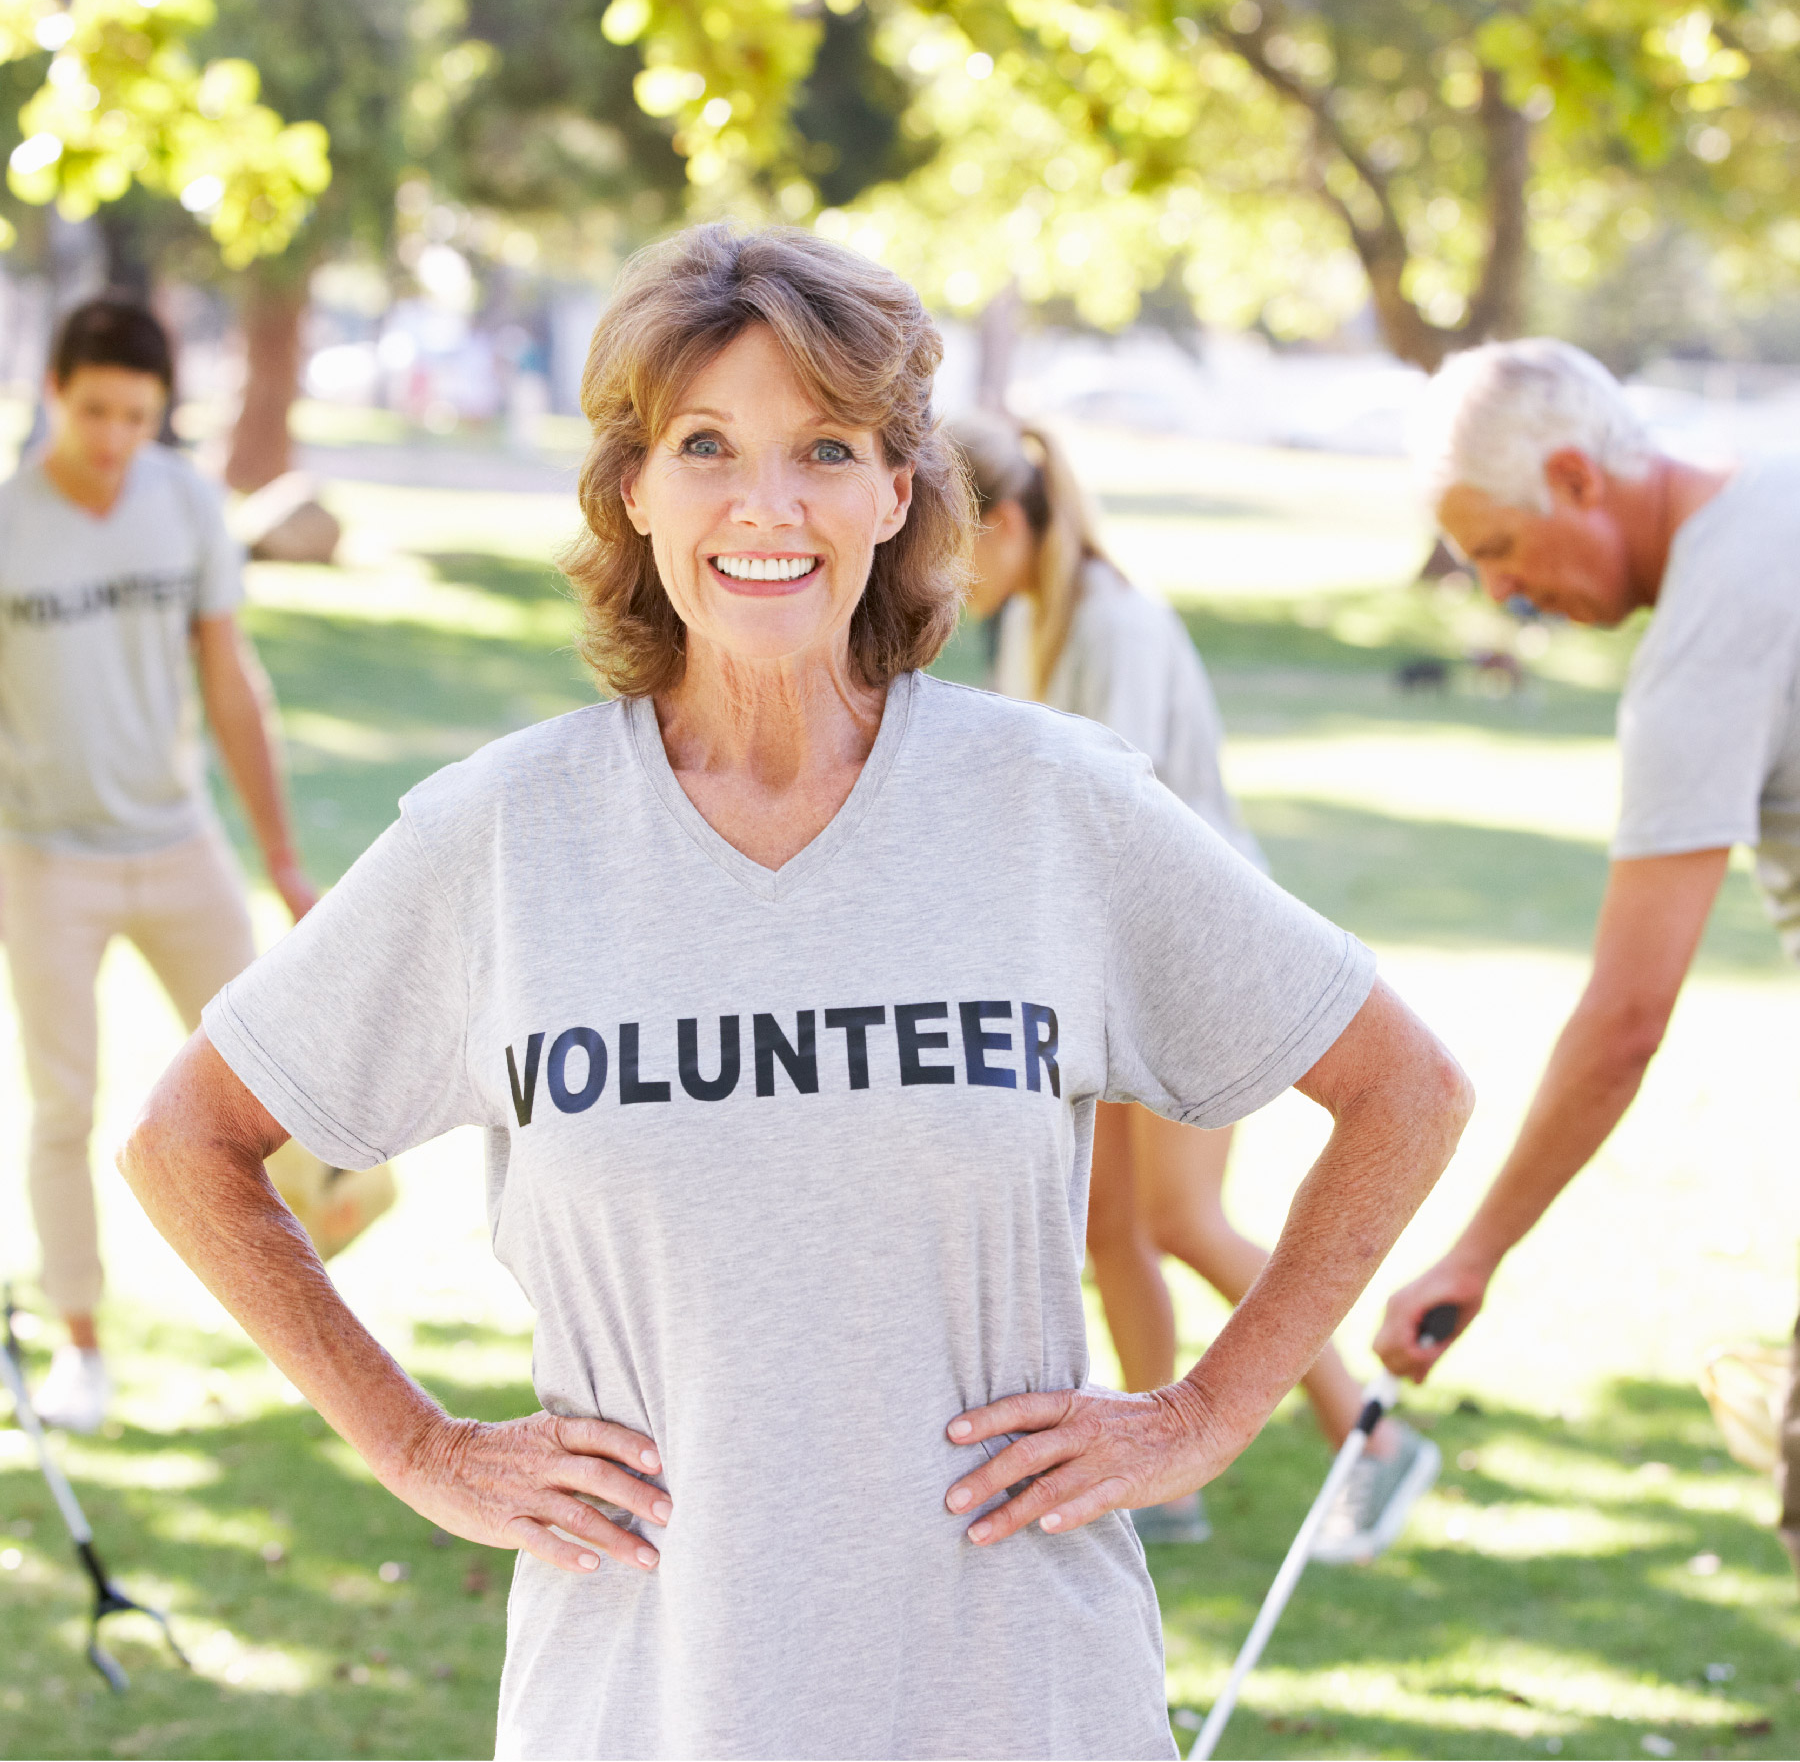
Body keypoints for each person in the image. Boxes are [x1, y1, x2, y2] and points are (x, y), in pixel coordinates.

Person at [121, 224, 1471, 1760]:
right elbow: (186, 1143)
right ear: (634, 489)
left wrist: (1205, 1415)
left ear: (899, 492)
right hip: (642, 1702)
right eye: (707, 445)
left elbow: (1405, 1089)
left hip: (1015, 1696)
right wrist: (418, 1447)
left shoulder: (1047, 803)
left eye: (825, 447)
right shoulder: (506, 836)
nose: (767, 504)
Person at [951, 412, 1442, 1562]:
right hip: (1094, 970)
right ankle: (1156, 1479)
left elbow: (1103, 829)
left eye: (944, 540)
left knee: (1181, 1216)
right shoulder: (1031, 623)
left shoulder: (1111, 623)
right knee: (1106, 1223)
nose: (929, 571)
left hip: (1184, 965)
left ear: (1009, 523)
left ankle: (1369, 1437)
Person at [1373, 336, 1800, 1567]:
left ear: (1576, 475)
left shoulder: (1708, 639)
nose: (1504, 597)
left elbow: (1626, 1018)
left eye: (1501, 551)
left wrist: (1474, 1251)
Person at [0, 299, 389, 1434]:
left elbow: (231, 682)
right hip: (44, 857)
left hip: (178, 845)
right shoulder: (10, 522)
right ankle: (81, 1347)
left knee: (278, 1081)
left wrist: (277, 852)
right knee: (64, 1103)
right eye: (94, 412)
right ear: (54, 395)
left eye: (137, 415)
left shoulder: (184, 508)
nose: (115, 437)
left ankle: (311, 1327)